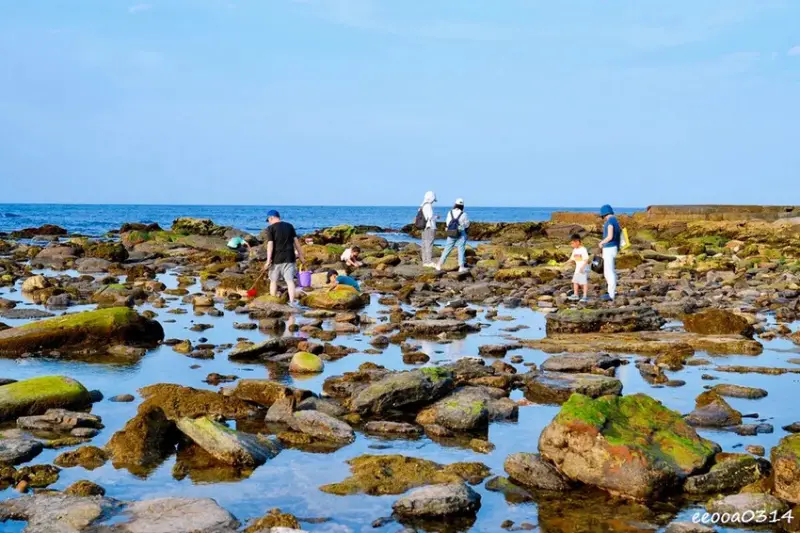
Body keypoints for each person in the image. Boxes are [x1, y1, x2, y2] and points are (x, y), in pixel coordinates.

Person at [262, 210, 305, 305]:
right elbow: (296, 242)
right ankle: (292, 302)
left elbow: (270, 244)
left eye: (268, 219)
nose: (268, 222)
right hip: (289, 257)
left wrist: (268, 260)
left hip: (276, 258)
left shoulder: (270, 228)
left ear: (271, 218)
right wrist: (301, 256)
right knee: (290, 281)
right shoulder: (289, 226)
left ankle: (273, 301)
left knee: (273, 281)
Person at [436, 198, 470, 273]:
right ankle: (461, 267)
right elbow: (467, 224)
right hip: (460, 233)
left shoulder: (450, 212)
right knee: (461, 249)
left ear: (455, 204)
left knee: (447, 249)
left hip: (451, 232)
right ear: (462, 206)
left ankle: (439, 265)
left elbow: (447, 223)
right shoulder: (464, 214)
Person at [597, 204, 621, 301]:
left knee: (608, 272)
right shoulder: (616, 221)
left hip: (609, 248)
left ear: (604, 214)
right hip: (614, 248)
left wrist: (601, 243)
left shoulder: (609, 222)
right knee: (610, 270)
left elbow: (610, 236)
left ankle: (611, 294)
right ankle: (611, 292)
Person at [566, 233, 589, 302]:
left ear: (577, 241)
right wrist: (565, 263)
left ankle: (585, 296)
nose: (571, 245)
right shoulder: (575, 250)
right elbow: (572, 259)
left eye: (572, 243)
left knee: (583, 282)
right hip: (577, 268)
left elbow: (586, 260)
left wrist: (582, 267)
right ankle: (576, 294)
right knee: (575, 281)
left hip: (583, 268)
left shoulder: (583, 249)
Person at [419, 191, 437, 268]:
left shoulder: (422, 205)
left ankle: (425, 261)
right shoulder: (428, 205)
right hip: (429, 227)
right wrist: (436, 217)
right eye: (433, 199)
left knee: (424, 244)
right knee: (429, 244)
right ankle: (429, 262)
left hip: (423, 227)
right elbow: (429, 217)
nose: (433, 201)